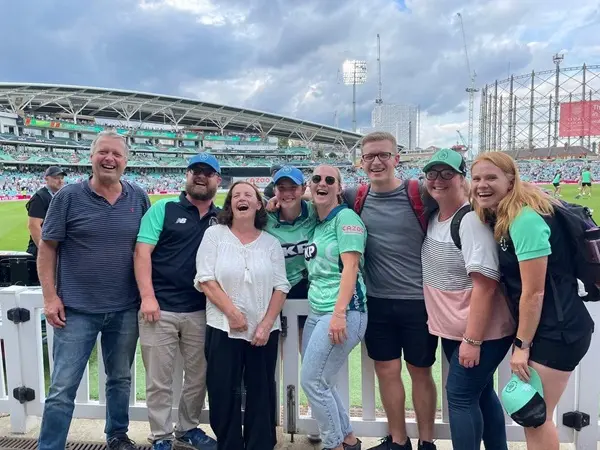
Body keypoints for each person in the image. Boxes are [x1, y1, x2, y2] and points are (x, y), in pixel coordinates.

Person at [470, 151, 595, 450]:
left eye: (491, 178)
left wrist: (521, 346)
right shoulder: (512, 212)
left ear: (511, 179)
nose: (481, 185)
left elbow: (534, 292)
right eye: (476, 178)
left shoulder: (524, 220)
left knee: (536, 418)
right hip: (556, 327)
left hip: (558, 331)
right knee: (535, 418)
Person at [36, 130, 151, 450]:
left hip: (125, 307)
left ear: (126, 161)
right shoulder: (68, 197)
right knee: (62, 388)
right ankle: (50, 445)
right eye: (103, 152)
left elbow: (145, 249)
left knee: (120, 379)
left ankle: (117, 434)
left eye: (116, 154)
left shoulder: (138, 196)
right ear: (91, 156)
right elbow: (47, 249)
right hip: (77, 310)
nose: (109, 159)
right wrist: (50, 296)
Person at [343, 132, 438, 450]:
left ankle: (426, 442)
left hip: (417, 301)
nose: (376, 161)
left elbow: (462, 198)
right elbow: (318, 199)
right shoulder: (354, 195)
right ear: (361, 162)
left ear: (397, 159)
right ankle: (399, 441)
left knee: (420, 372)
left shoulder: (419, 192)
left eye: (383, 155)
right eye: (369, 156)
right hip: (377, 301)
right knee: (386, 370)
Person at [420, 149, 515, 450]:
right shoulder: (435, 216)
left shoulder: (470, 221)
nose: (439, 180)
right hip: (453, 329)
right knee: (482, 393)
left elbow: (486, 287)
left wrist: (473, 341)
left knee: (460, 396)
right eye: (432, 174)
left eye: (447, 173)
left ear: (462, 180)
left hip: (481, 333)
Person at [134, 153, 222, 450]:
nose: (200, 176)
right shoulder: (164, 209)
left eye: (207, 172)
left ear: (217, 180)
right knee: (159, 379)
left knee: (197, 377)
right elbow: (142, 253)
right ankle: (160, 435)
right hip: (159, 308)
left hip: (201, 309)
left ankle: (188, 428)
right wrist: (147, 297)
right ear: (187, 175)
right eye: (195, 171)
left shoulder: (221, 217)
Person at [194, 181, 290, 450]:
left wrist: (267, 324)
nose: (242, 198)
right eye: (236, 195)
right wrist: (233, 315)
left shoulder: (270, 243)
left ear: (259, 204)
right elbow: (205, 279)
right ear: (230, 205)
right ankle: (229, 445)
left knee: (261, 392)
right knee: (223, 391)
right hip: (222, 327)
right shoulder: (215, 235)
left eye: (249, 194)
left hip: (263, 332)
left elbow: (281, 286)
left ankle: (260, 444)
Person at [300, 164, 367, 450]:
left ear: (340, 188)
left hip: (344, 311)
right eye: (316, 179)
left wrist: (339, 313)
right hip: (317, 312)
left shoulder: (346, 218)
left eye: (330, 180)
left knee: (312, 381)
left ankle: (333, 444)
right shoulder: (319, 220)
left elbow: (351, 266)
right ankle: (348, 437)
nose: (322, 183)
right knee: (321, 381)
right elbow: (303, 198)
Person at [26, 166, 67, 259]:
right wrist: (45, 251)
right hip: (40, 253)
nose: (60, 181)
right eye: (56, 178)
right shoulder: (39, 197)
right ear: (46, 179)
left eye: (62, 178)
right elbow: (33, 225)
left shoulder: (58, 196)